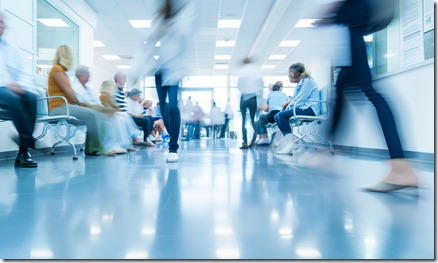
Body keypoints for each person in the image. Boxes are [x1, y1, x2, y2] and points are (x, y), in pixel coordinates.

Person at [314, 0, 418, 192]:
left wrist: (335, 8)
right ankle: (329, 151)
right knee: (343, 87)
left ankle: (401, 169)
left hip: (353, 16)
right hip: (352, 17)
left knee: (368, 91)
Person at [146, 0, 197, 162]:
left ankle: (173, 148)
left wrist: (171, 28)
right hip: (160, 70)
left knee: (173, 107)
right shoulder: (160, 20)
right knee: (164, 108)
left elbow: (186, 31)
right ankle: (172, 142)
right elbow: (149, 43)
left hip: (175, 71)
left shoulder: (182, 20)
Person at [48, 45, 114, 156]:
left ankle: (93, 147)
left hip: (65, 106)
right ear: (66, 56)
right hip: (59, 108)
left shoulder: (61, 71)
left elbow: (69, 93)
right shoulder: (57, 69)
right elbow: (69, 92)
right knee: (92, 115)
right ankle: (96, 148)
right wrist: (80, 104)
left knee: (95, 115)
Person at [0, 12, 38, 167]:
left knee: (31, 98)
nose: (1, 26)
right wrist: (8, 83)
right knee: (13, 98)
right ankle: (27, 141)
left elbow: (24, 71)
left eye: (3, 23)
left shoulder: (10, 48)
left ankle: (23, 152)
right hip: (3, 89)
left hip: (8, 90)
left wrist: (20, 86)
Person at [274, 63, 320, 155]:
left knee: (281, 115)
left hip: (310, 109)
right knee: (277, 116)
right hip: (304, 107)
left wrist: (288, 108)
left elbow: (300, 99)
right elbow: (295, 98)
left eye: (289, 76)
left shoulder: (308, 82)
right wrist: (288, 107)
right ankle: (290, 142)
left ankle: (290, 143)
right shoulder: (301, 82)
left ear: (295, 75)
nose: (289, 78)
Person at [113, 71, 154, 146]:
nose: (126, 80)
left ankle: (141, 138)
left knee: (148, 119)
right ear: (118, 79)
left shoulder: (121, 91)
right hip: (122, 115)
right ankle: (138, 139)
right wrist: (136, 115)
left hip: (125, 115)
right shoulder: (115, 90)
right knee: (146, 120)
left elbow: (123, 107)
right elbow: (118, 107)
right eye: (124, 78)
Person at [236, 57, 264, 149]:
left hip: (244, 97)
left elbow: (239, 86)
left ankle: (244, 142)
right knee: (253, 120)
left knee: (243, 121)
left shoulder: (242, 71)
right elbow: (260, 87)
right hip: (253, 98)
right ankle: (253, 140)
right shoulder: (257, 71)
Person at [255, 81, 289, 146]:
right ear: (280, 88)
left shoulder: (270, 95)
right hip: (281, 114)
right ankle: (262, 138)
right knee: (258, 121)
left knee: (261, 117)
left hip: (273, 114)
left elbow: (266, 108)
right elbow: (287, 104)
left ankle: (264, 137)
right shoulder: (284, 94)